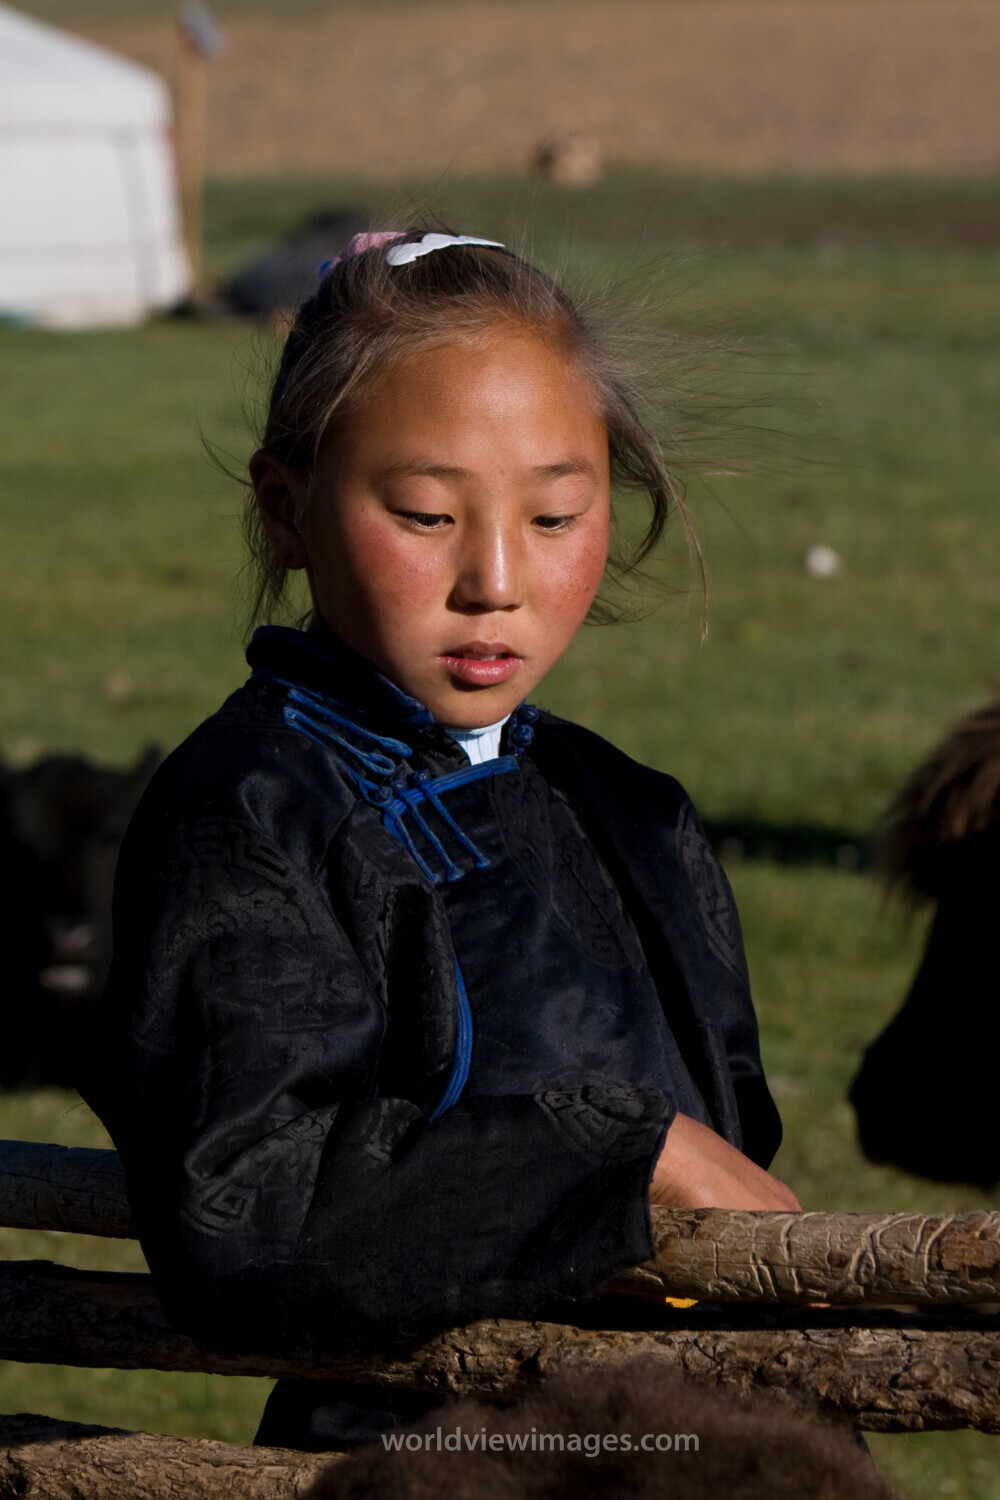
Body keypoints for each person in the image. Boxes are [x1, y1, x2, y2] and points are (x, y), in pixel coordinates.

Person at [79, 229, 798, 1452]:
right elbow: (244, 1205)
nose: (496, 579)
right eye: (424, 514)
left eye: (558, 515)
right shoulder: (250, 817)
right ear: (285, 507)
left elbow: (738, 1168)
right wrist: (614, 1155)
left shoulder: (634, 813)